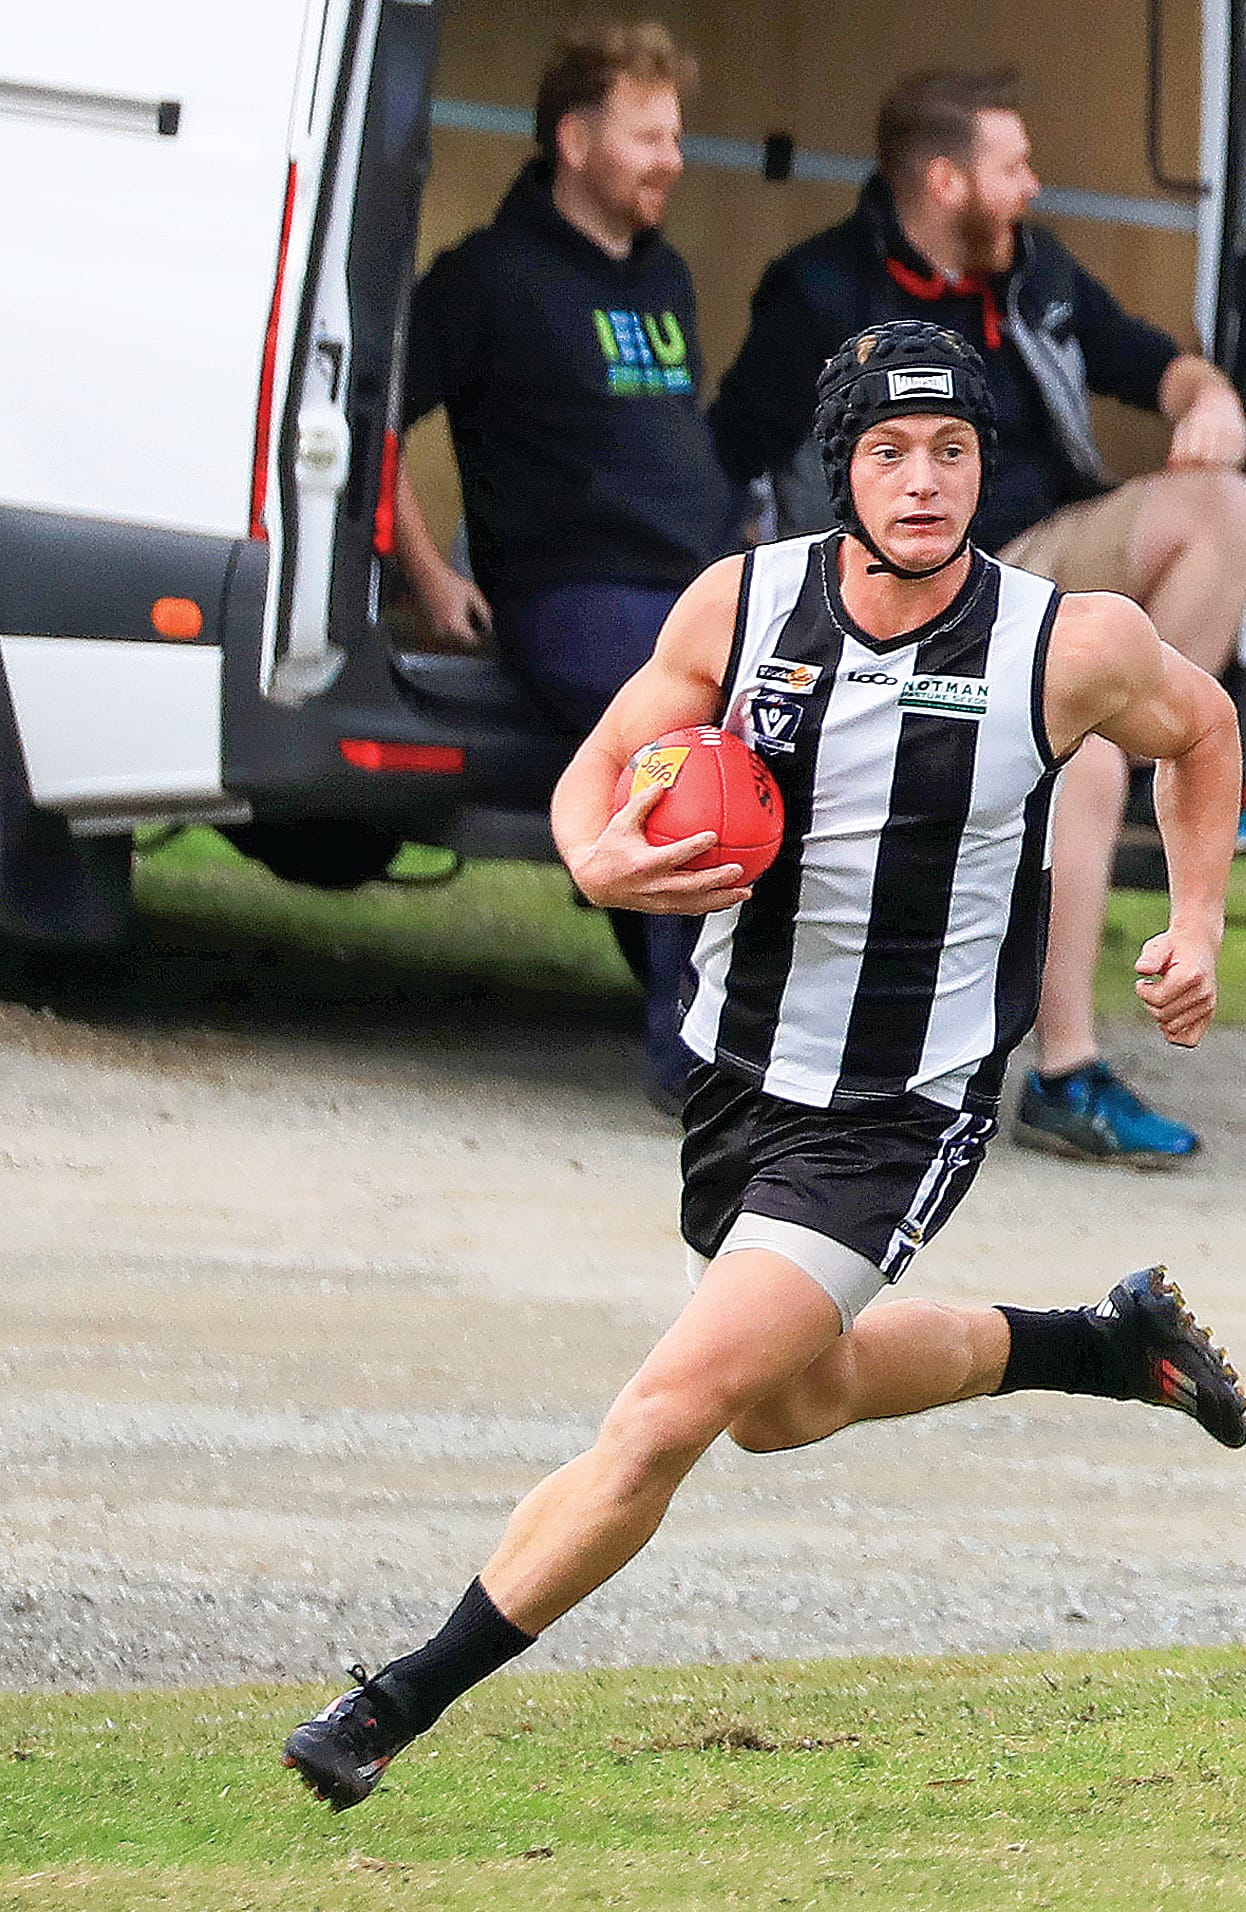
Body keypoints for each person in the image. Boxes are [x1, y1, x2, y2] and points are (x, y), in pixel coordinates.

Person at [282, 324, 1246, 1814]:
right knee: (784, 1405)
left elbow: (1205, 729)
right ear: (840, 468)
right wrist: (599, 860)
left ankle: (390, 1703)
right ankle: (1101, 1345)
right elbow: (600, 769)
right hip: (740, 1075)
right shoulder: (744, 606)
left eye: (951, 451)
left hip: (900, 1106)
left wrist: (1197, 921)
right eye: (889, 452)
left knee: (664, 1417)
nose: (923, 482)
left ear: (983, 466)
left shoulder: (1068, 643)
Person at [710, 68, 1246, 1167]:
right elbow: (732, 453)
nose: (1034, 185)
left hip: (1038, 556)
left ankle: (1147, 750)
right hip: (902, 583)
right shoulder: (822, 290)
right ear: (944, 180)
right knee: (1075, 759)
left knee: (1223, 506)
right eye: (1014, 166)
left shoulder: (1033, 272)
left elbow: (1154, 362)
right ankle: (1065, 1070)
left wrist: (1209, 397)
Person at [393, 20, 736, 1111]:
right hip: (571, 599)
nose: (673, 160)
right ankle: (693, 1061)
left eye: (675, 136)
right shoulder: (487, 277)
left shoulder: (666, 277)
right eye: (649, 137)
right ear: (577, 144)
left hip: (693, 590)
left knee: (785, 735)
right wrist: (428, 576)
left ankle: (767, 1037)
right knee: (688, 752)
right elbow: (369, 423)